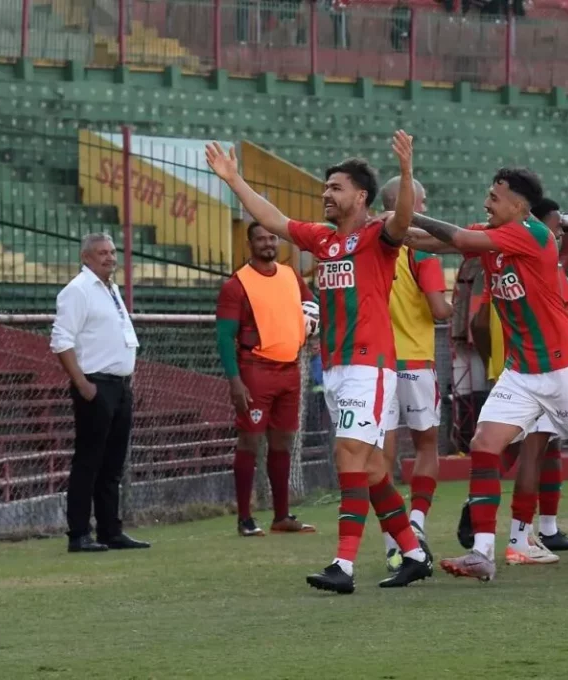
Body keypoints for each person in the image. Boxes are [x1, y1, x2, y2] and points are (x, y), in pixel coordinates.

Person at [205, 132, 432, 594]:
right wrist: (234, 181)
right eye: (326, 187)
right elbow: (273, 218)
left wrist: (407, 172)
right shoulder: (323, 239)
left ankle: (343, 566)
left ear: (361, 196)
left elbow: (404, 218)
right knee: (371, 471)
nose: (326, 194)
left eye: (336, 188)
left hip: (369, 366)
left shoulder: (378, 236)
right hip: (335, 368)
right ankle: (413, 555)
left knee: (347, 457)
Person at [406, 168, 568, 580]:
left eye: (494, 197)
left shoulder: (533, 234)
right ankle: (483, 552)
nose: (486, 203)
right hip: (521, 370)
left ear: (519, 205)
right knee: (484, 444)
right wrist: (388, 226)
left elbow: (459, 240)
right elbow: (429, 241)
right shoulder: (493, 235)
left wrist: (410, 214)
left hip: (563, 368)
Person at [459, 197, 568, 565]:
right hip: (539, 368)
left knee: (513, 449)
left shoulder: (496, 260)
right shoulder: (544, 265)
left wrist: (491, 360)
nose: (559, 234)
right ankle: (519, 538)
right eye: (556, 227)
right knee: (534, 453)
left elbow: (479, 321)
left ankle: (514, 523)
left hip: (509, 368)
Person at [215, 222, 318, 538]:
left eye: (272, 238)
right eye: (260, 239)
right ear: (250, 244)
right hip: (255, 369)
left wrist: (311, 326)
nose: (268, 243)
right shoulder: (236, 285)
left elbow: (311, 306)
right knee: (250, 439)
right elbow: (224, 336)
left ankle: (281, 515)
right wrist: (235, 380)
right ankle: (245, 518)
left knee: (283, 440)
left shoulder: (291, 276)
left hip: (290, 369)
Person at [50, 233, 150, 553]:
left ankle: (110, 530)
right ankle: (79, 533)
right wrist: (82, 384)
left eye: (112, 251)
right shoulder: (78, 291)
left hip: (119, 386)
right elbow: (61, 340)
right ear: (86, 257)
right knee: (89, 462)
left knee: (113, 464)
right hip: (96, 385)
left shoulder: (111, 289)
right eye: (101, 252)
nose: (110, 257)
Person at [378, 176, 452, 572]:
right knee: (426, 447)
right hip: (416, 364)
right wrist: (455, 304)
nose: (424, 209)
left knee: (382, 457)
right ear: (408, 202)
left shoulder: (370, 241)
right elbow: (439, 310)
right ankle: (417, 523)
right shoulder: (422, 249)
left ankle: (393, 543)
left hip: (377, 365)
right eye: (421, 202)